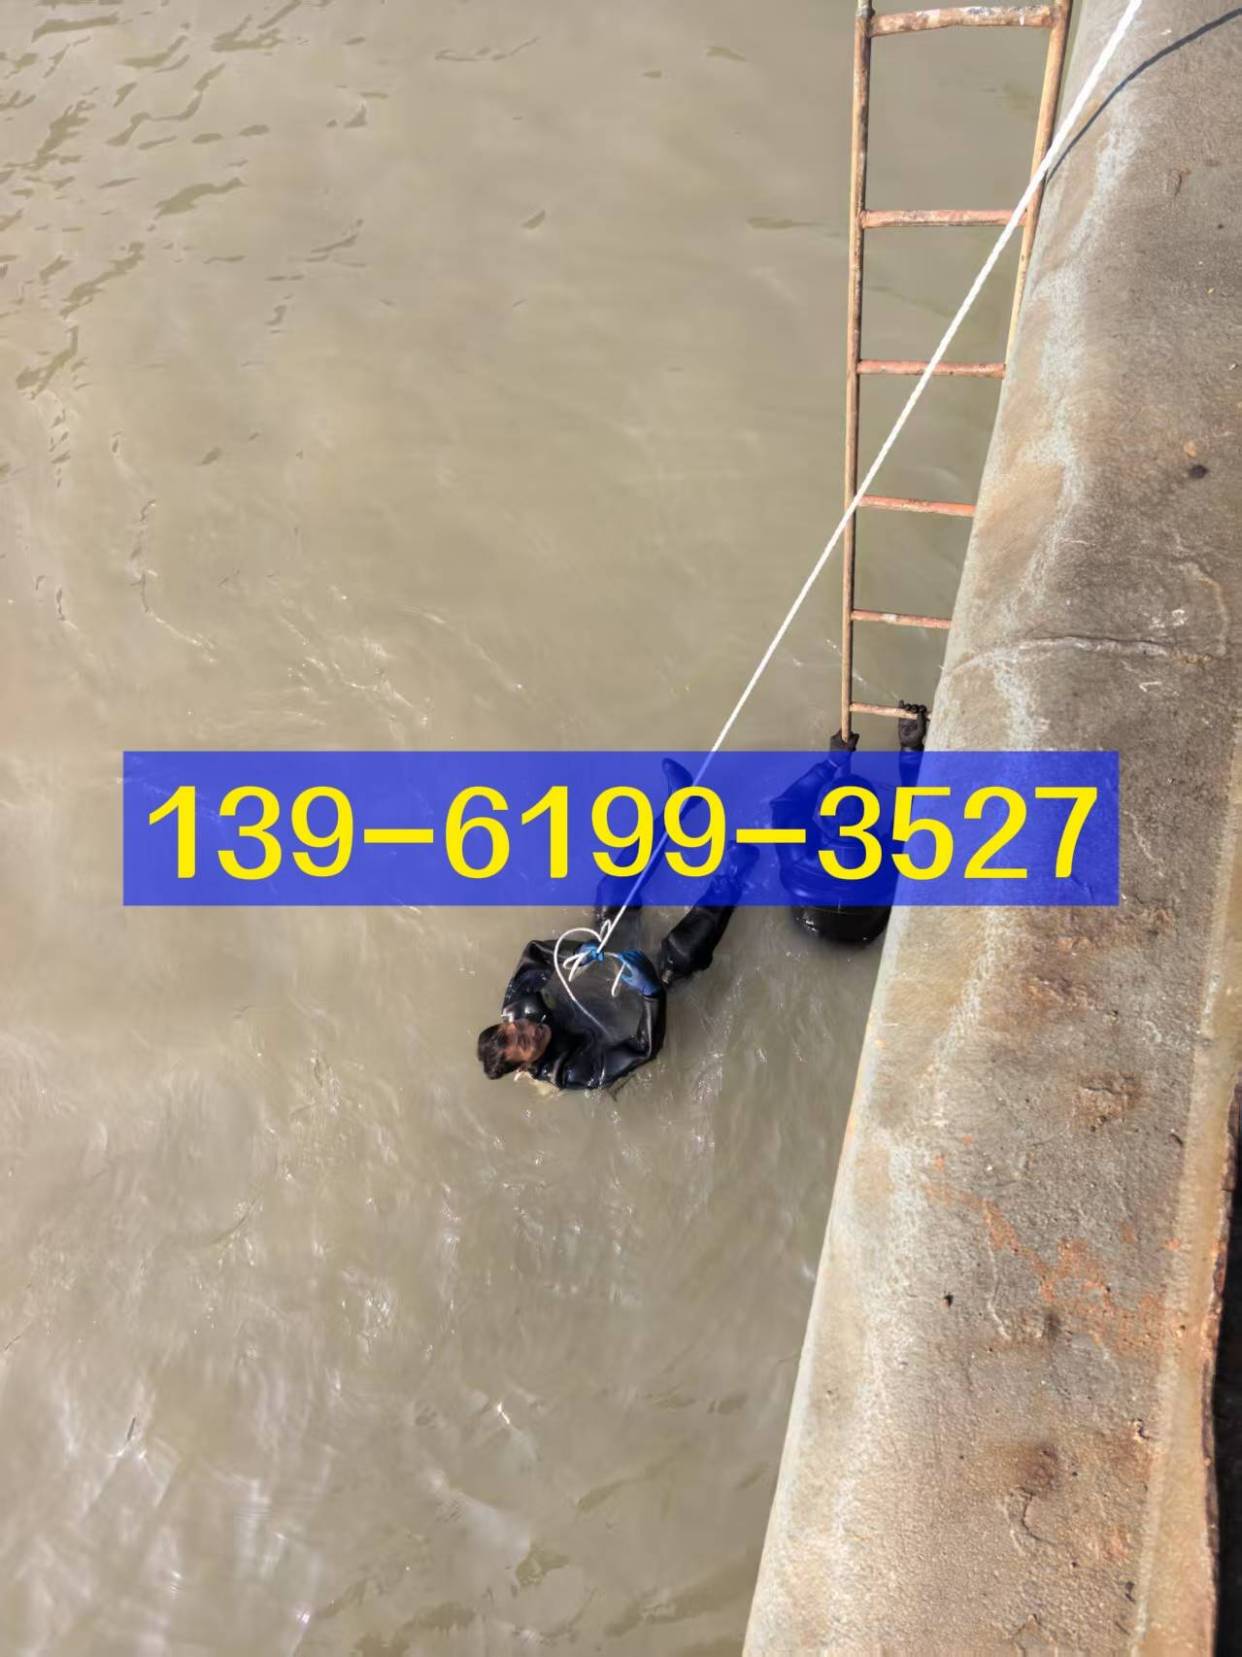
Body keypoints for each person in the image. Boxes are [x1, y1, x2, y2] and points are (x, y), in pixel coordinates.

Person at [477, 767, 758, 1091]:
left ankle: (677, 805)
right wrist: (651, 991)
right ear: (525, 1067)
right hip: (633, 1006)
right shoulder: (572, 1070)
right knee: (682, 954)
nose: (530, 1029)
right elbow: (643, 1049)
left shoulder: (517, 1006)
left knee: (612, 890)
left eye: (519, 1028)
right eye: (527, 1043)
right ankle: (734, 874)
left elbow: (536, 954)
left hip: (602, 969)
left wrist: (575, 950)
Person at [771, 701, 928, 946]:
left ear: (821, 815)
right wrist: (911, 748)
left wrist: (830, 764)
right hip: (866, 930)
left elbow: (786, 805)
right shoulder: (889, 858)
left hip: (808, 926)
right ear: (874, 817)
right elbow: (914, 802)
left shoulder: (798, 856)